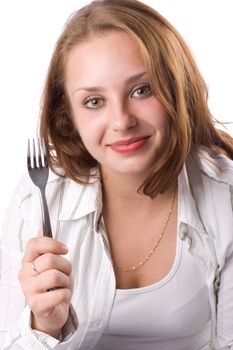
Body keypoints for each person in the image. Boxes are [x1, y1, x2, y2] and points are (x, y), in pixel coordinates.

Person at [1, 0, 233, 349]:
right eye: (94, 101)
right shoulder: (37, 197)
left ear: (176, 88)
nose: (122, 121)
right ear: (69, 116)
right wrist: (43, 327)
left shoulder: (225, 194)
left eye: (142, 90)